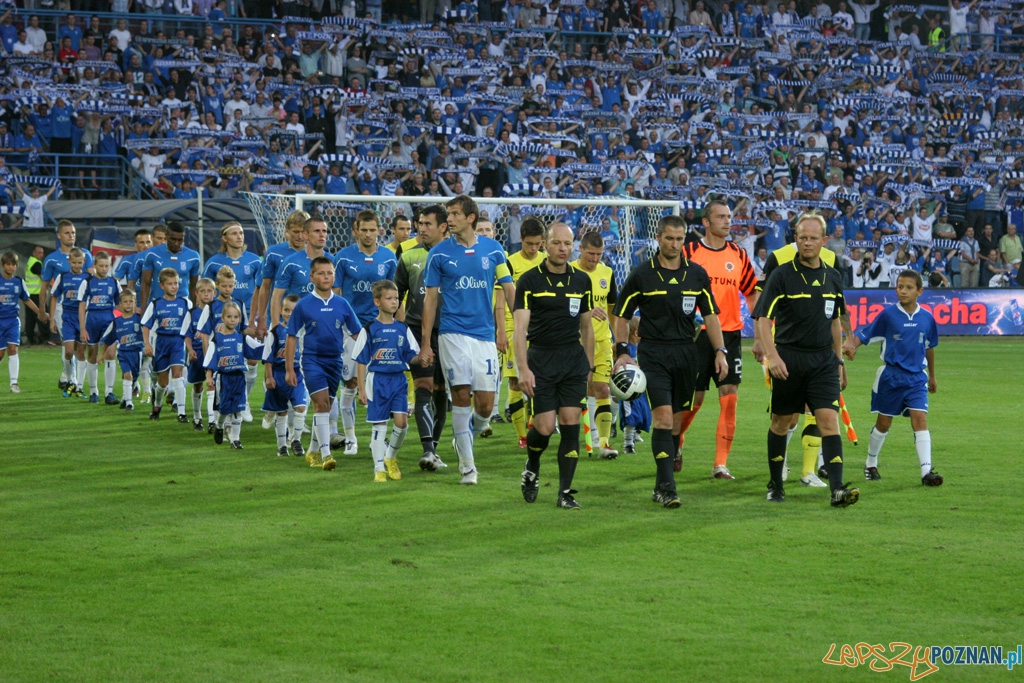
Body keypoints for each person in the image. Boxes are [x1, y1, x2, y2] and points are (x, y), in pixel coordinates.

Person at [612, 215, 728, 508]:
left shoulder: (697, 275)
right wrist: (623, 351)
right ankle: (667, 487)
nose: (675, 244)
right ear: (659, 238)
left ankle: (661, 482)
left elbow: (711, 316)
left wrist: (720, 351)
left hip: (687, 355)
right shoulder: (642, 274)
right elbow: (622, 315)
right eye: (669, 239)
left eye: (680, 239)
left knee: (676, 424)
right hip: (653, 354)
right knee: (663, 417)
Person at [751, 212, 860, 507]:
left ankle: (837, 488)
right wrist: (772, 356)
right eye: (802, 238)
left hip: (823, 360)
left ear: (825, 241)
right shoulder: (782, 275)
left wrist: (839, 362)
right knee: (781, 422)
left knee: (828, 419)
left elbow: (835, 322)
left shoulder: (833, 277)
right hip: (789, 359)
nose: (807, 243)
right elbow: (762, 318)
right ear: (795, 239)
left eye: (813, 238)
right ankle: (776, 484)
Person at [419, 195, 515, 485]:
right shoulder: (438, 254)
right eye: (448, 213)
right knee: (461, 397)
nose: (450, 218)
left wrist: (524, 323)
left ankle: (464, 438)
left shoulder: (495, 250)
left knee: (485, 407)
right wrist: (426, 342)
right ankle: (468, 468)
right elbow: (431, 300)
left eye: (456, 213)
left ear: (470, 218)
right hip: (453, 334)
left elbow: (509, 289)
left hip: (484, 336)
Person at [514, 222, 595, 510]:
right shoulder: (529, 281)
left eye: (568, 243)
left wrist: (589, 365)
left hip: (572, 361)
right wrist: (523, 369)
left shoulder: (581, 281)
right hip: (542, 361)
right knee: (545, 427)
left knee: (571, 421)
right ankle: (532, 465)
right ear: (545, 245)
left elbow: (587, 328)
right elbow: (520, 330)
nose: (563, 248)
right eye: (557, 243)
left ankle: (565, 493)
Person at [677, 200, 759, 479]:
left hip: (731, 334)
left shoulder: (738, 254)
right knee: (695, 399)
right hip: (696, 335)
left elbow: (752, 291)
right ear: (706, 223)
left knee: (730, 397)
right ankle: (678, 438)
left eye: (729, 217)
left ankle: (720, 464)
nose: (728, 222)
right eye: (721, 217)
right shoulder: (689, 251)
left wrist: (758, 334)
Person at [843, 270, 943, 486]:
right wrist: (851, 346)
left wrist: (932, 376)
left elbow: (930, 347)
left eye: (908, 287)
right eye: (900, 286)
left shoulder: (927, 318)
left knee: (920, 419)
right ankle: (871, 463)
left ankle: (926, 472)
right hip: (891, 377)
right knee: (884, 423)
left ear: (920, 291)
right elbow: (865, 334)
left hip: (917, 378)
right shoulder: (888, 315)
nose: (903, 291)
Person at [285, 257, 360, 471]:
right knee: (321, 404)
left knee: (325, 406)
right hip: (312, 360)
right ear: (312, 277)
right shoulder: (303, 305)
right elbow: (292, 337)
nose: (326, 277)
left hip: (334, 361)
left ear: (334, 276)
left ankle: (312, 451)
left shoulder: (342, 303)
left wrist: (372, 350)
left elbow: (356, 332)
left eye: (329, 273)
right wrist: (290, 368)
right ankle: (326, 455)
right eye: (321, 273)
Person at [333, 210, 398, 455]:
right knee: (350, 383)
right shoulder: (343, 257)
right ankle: (350, 438)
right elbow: (337, 294)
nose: (369, 234)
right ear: (355, 230)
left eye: (373, 230)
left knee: (380, 383)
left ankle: (377, 438)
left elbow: (393, 295)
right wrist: (341, 327)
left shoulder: (389, 258)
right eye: (364, 230)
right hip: (352, 330)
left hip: (379, 329)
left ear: (379, 230)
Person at [395, 205, 449, 472]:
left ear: (443, 227)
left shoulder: (455, 254)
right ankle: (428, 450)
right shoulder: (407, 255)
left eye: (428, 224)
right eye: (420, 223)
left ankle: (434, 448)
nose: (422, 228)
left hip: (450, 332)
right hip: (417, 330)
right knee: (424, 389)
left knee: (442, 393)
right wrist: (399, 329)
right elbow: (396, 295)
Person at [354, 280, 421, 482]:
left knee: (402, 424)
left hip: (398, 381)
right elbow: (361, 361)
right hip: (377, 381)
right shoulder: (369, 329)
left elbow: (411, 355)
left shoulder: (402, 328)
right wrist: (361, 389)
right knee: (379, 425)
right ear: (377, 301)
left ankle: (390, 457)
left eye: (397, 299)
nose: (394, 302)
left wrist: (422, 358)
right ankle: (378, 469)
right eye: (389, 298)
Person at [495, 217, 546, 449]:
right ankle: (521, 435)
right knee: (515, 382)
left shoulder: (547, 261)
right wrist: (501, 332)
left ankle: (536, 422)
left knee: (541, 380)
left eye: (538, 244)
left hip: (541, 328)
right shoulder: (510, 262)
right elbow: (499, 300)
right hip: (513, 327)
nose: (534, 248)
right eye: (529, 244)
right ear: (521, 239)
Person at [572, 230, 619, 459]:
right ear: (580, 249)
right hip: (574, 341)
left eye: (599, 254)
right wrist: (588, 310)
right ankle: (574, 437)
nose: (594, 259)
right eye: (591, 254)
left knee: (602, 388)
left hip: (602, 341)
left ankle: (604, 443)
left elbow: (612, 308)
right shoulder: (569, 271)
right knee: (578, 391)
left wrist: (618, 339)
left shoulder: (607, 273)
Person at [40, 220, 92, 389]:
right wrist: (43, 310)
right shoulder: (51, 259)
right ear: (59, 235)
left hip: (83, 307)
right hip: (63, 308)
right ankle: (73, 380)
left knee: (78, 345)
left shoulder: (85, 254)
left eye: (73, 233)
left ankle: (65, 374)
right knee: (68, 343)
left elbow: (92, 278)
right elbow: (45, 287)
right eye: (68, 233)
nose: (71, 236)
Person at [203, 302, 261, 449]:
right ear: (223, 318)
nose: (233, 320)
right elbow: (210, 359)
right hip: (224, 378)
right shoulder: (217, 339)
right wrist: (209, 377)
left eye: (236, 317)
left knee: (238, 409)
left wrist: (272, 345)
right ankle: (220, 425)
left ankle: (235, 439)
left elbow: (256, 350)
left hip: (239, 378)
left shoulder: (242, 338)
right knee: (224, 409)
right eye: (229, 316)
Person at [141, 268, 193, 422]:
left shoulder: (185, 302)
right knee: (162, 382)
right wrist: (147, 344)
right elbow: (146, 325)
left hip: (178, 342)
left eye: (176, 283)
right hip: (161, 343)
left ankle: (181, 412)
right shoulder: (156, 304)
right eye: (170, 284)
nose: (174, 286)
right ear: (162, 286)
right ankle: (157, 406)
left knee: (178, 374)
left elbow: (192, 322)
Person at [262, 294, 308, 458]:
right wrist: (269, 377)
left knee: (301, 407)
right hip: (279, 374)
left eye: (293, 311)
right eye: (286, 310)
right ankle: (282, 446)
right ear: (281, 311)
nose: (289, 314)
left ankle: (296, 440)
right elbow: (268, 357)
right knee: (281, 412)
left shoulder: (304, 331)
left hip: (298, 374)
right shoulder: (275, 332)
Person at [271, 217, 335, 328]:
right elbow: (277, 296)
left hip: (325, 324)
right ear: (306, 235)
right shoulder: (291, 262)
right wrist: (276, 328)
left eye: (324, 231)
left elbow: (337, 294)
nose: (322, 235)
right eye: (316, 231)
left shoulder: (333, 262)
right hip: (298, 324)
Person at [253, 210, 307, 339]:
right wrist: (262, 319)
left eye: (303, 232)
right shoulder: (274, 253)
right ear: (287, 230)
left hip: (309, 318)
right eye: (295, 232)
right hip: (281, 318)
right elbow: (264, 287)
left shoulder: (316, 255)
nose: (300, 236)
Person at [77, 251, 122, 404]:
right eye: (101, 266)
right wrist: (82, 328)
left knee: (110, 354)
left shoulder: (114, 283)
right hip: (92, 320)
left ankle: (109, 392)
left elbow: (119, 305)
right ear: (94, 266)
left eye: (107, 266)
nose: (104, 269)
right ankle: (93, 391)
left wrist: (116, 319)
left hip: (109, 320)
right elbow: (82, 306)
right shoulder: (87, 283)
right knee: (93, 355)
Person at [0, 251, 44, 393]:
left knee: (13, 349)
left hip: (12, 321)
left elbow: (26, 299)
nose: (11, 267)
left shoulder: (19, 282)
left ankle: (14, 383)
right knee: (1, 353)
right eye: (8, 264)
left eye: (14, 265)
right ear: (2, 265)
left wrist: (40, 312)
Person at [50, 248, 89, 397]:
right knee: (69, 351)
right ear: (69, 261)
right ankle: (71, 379)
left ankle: (79, 386)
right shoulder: (63, 276)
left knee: (81, 352)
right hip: (68, 317)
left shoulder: (88, 278)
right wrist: (52, 318)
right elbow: (54, 296)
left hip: (83, 318)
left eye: (80, 262)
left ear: (84, 262)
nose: (77, 265)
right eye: (74, 262)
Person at [101, 290, 145, 411]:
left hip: (137, 353)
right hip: (123, 353)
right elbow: (108, 339)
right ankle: (129, 403)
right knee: (127, 375)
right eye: (125, 302)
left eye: (131, 301)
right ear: (120, 304)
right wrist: (101, 355)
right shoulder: (117, 322)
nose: (128, 304)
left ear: (135, 303)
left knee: (133, 378)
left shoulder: (140, 319)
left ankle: (125, 398)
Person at [140, 222, 200, 305]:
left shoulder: (193, 256)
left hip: (182, 305)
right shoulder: (152, 254)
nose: (176, 243)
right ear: (167, 235)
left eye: (180, 240)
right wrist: (144, 312)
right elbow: (146, 284)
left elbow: (193, 287)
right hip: (158, 303)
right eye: (173, 239)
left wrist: (193, 310)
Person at [184, 278, 216, 431]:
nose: (206, 294)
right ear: (196, 293)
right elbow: (187, 335)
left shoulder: (218, 311)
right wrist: (190, 350)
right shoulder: (191, 313)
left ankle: (212, 420)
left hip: (213, 354)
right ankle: (197, 416)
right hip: (197, 354)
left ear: (214, 293)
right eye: (202, 291)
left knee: (212, 384)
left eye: (209, 291)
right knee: (198, 385)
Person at [23, 245, 47, 345]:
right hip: (36, 294)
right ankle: (45, 337)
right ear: (34, 253)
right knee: (42, 314)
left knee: (30, 318)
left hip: (29, 294)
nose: (41, 255)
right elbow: (43, 278)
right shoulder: (36, 263)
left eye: (42, 253)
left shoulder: (30, 261)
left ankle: (30, 338)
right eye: (39, 253)